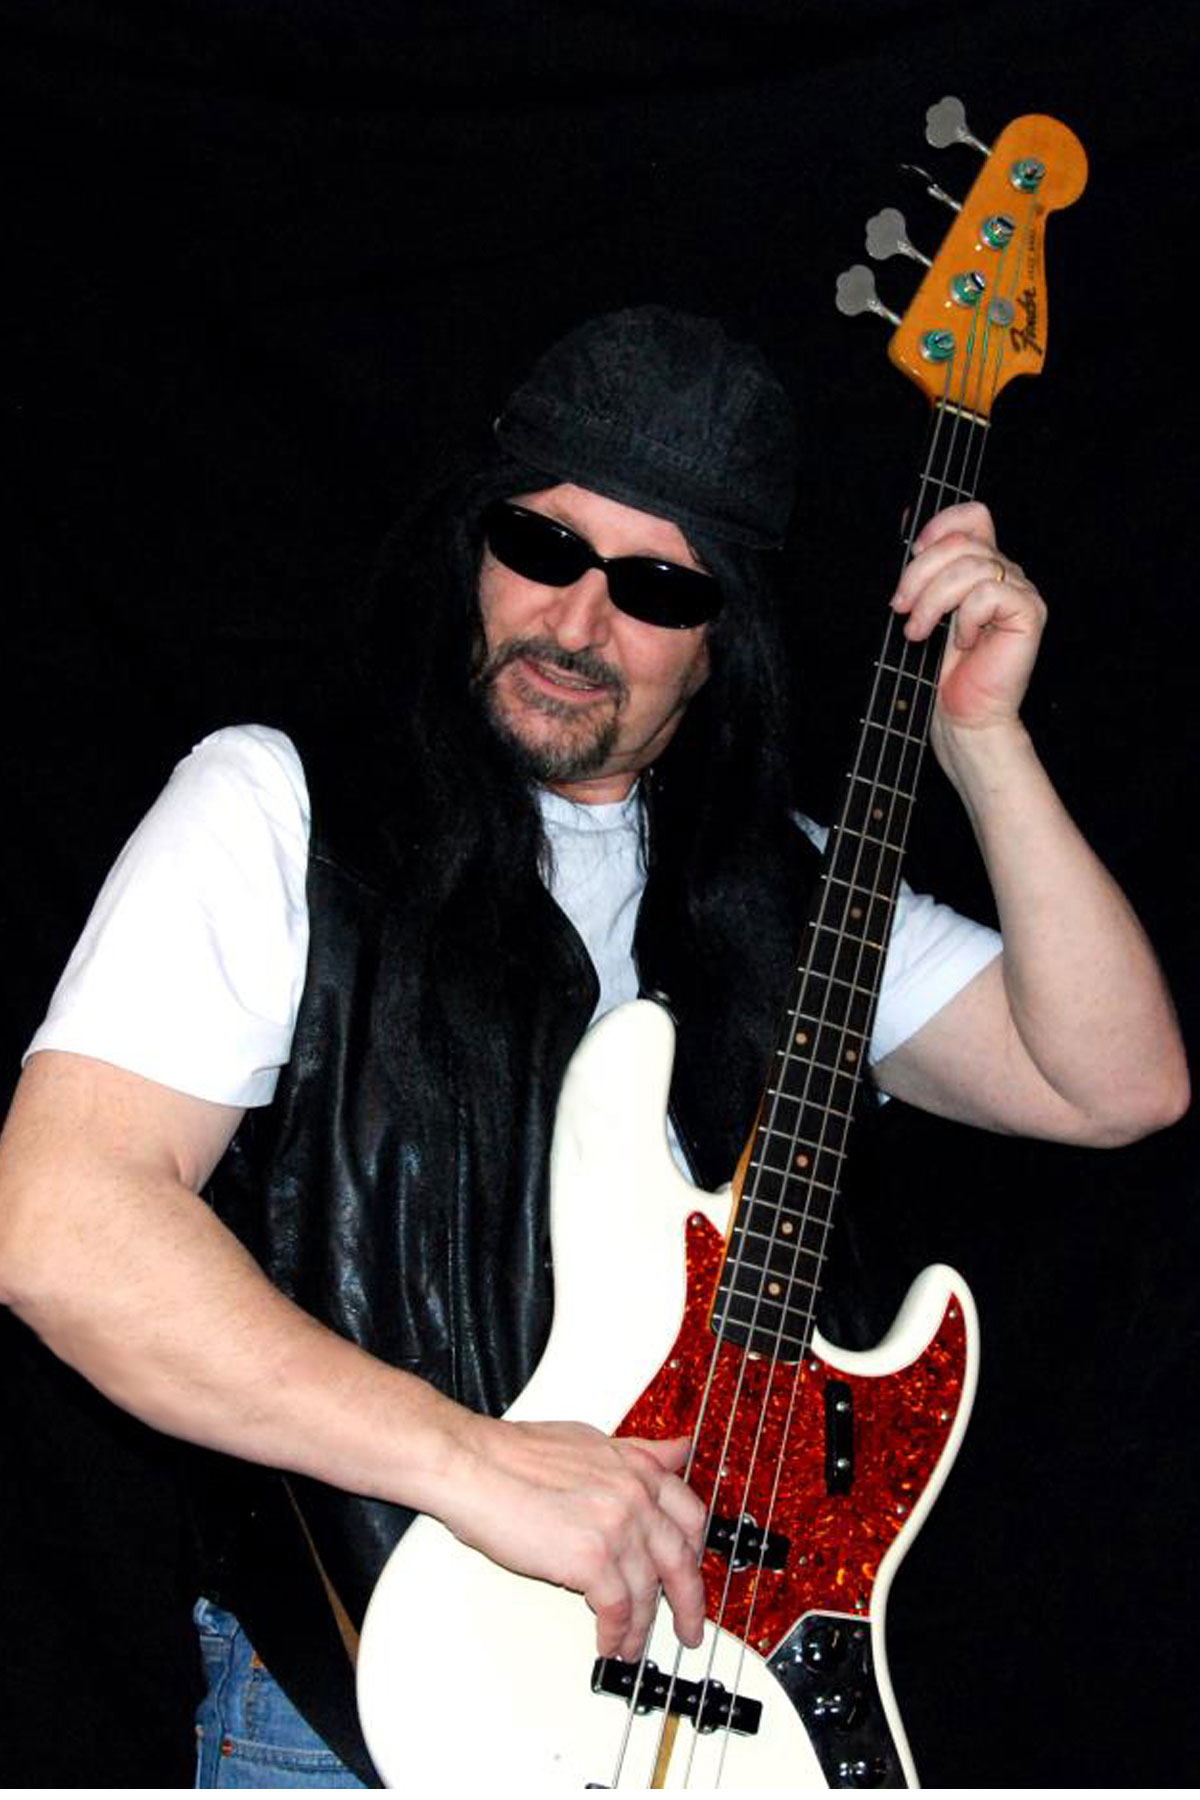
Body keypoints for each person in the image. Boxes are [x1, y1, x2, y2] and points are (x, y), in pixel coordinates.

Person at [0, 307, 1187, 1787]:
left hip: (716, 1723)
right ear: (475, 546)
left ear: (722, 640)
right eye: (543, 546)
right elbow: (61, 1226)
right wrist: (470, 1464)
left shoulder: (795, 892)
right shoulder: (279, 814)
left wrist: (987, 747)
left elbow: (1115, 1083)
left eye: (655, 588)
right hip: (359, 1717)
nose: (576, 623)